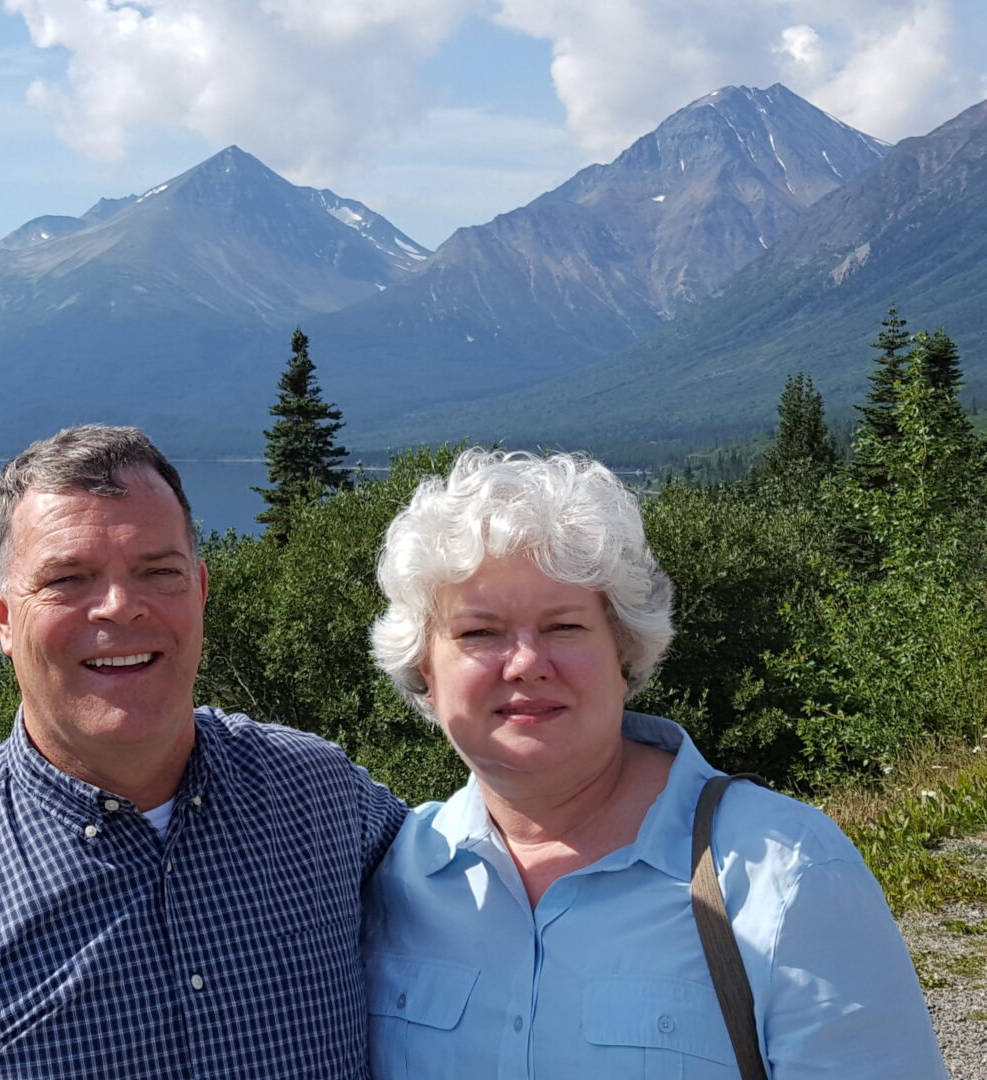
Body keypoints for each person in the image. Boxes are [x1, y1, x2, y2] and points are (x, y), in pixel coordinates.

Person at [0, 424, 405, 1079]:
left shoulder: (321, 799)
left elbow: (491, 877)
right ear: (2, 616)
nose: (120, 606)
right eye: (69, 579)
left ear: (201, 592)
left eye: (158, 572)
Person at [362, 448, 946, 1078]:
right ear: (425, 667)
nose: (527, 662)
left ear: (625, 650)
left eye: (563, 626)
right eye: (480, 633)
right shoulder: (388, 876)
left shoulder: (783, 871)